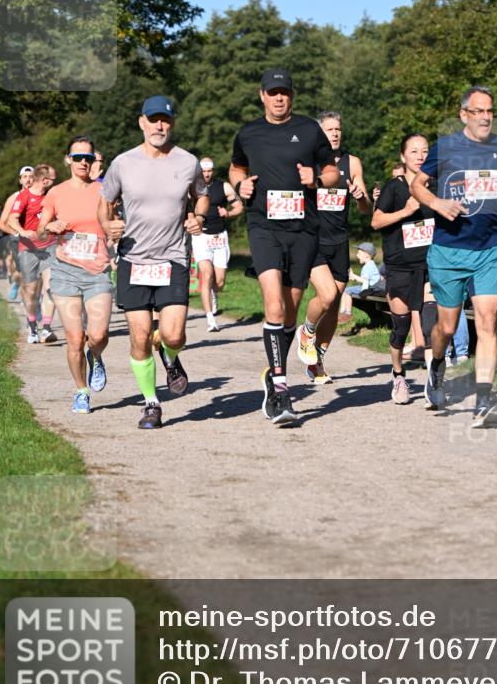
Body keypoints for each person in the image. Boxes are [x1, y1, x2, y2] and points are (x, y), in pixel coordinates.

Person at [229, 67, 339, 425]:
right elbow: (236, 168)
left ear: (292, 96)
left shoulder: (309, 129)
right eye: (272, 92)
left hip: (303, 230)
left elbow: (333, 172)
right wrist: (241, 184)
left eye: (285, 92)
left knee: (289, 312)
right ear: (262, 95)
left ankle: (272, 373)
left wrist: (319, 179)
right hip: (263, 227)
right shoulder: (248, 133)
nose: (279, 98)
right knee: (274, 307)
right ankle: (279, 391)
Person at [411, 86, 497, 426]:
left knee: (488, 320)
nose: (485, 117)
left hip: (489, 248)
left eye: (489, 110)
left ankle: (483, 402)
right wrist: (437, 203)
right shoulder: (445, 148)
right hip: (448, 251)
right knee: (446, 327)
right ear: (464, 115)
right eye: (478, 111)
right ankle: (436, 366)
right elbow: (418, 184)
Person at [98, 95, 208, 430]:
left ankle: (171, 357)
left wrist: (198, 217)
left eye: (166, 120)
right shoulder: (123, 163)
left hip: (173, 258)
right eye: (153, 119)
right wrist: (108, 226)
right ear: (141, 122)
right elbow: (105, 203)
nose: (159, 125)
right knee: (140, 335)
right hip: (133, 259)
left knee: (173, 335)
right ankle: (151, 403)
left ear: (172, 123)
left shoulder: (187, 162)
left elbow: (201, 195)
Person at [36, 137, 113, 413]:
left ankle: (97, 356)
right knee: (74, 338)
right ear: (68, 159)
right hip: (65, 270)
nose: (83, 162)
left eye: (88, 158)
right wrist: (52, 225)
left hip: (98, 269)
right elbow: (41, 230)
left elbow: (113, 223)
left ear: (94, 161)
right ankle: (81, 391)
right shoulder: (56, 193)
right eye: (78, 157)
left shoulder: (105, 190)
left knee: (98, 334)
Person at [305, 110, 370, 382]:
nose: (334, 133)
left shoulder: (352, 162)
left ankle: (317, 362)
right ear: (320, 133)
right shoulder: (310, 161)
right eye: (329, 129)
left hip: (339, 240)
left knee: (333, 306)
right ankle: (306, 332)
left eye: (337, 129)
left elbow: (366, 208)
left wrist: (360, 196)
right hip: (313, 239)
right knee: (327, 296)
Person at [371, 134, 434, 404]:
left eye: (425, 151)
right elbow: (375, 221)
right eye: (414, 151)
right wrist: (405, 212)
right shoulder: (393, 188)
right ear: (403, 157)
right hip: (399, 266)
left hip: (431, 264)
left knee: (431, 324)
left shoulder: (436, 185)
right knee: (401, 327)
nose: (420, 156)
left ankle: (434, 381)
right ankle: (398, 374)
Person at [6, 164, 58, 343]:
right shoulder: (24, 196)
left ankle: (47, 328)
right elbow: (11, 220)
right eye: (52, 180)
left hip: (50, 247)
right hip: (29, 248)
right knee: (31, 291)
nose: (54, 183)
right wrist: (23, 231)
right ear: (44, 180)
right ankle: (32, 326)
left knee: (51, 286)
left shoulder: (51, 197)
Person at [192, 157, 243, 332]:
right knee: (206, 275)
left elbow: (239, 207)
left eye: (209, 171)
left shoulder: (224, 187)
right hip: (201, 236)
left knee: (219, 281)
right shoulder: (193, 188)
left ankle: (214, 296)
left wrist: (228, 213)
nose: (206, 174)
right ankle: (210, 319)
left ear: (212, 171)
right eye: (203, 171)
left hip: (220, 236)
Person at [0, 166, 34, 300]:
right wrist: (18, 233)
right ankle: (17, 284)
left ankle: (36, 303)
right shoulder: (14, 198)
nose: (28, 180)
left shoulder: (42, 197)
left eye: (31, 177)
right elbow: (1, 223)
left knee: (38, 273)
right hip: (18, 239)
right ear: (20, 180)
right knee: (20, 272)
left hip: (36, 240)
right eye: (25, 177)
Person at [338, 243, 381, 319]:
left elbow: (365, 281)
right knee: (345, 290)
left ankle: (347, 312)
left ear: (367, 255)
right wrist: (354, 277)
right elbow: (364, 280)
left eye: (359, 253)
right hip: (368, 287)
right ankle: (342, 311)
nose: (357, 256)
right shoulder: (369, 264)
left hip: (369, 289)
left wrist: (354, 276)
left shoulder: (369, 266)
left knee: (347, 291)